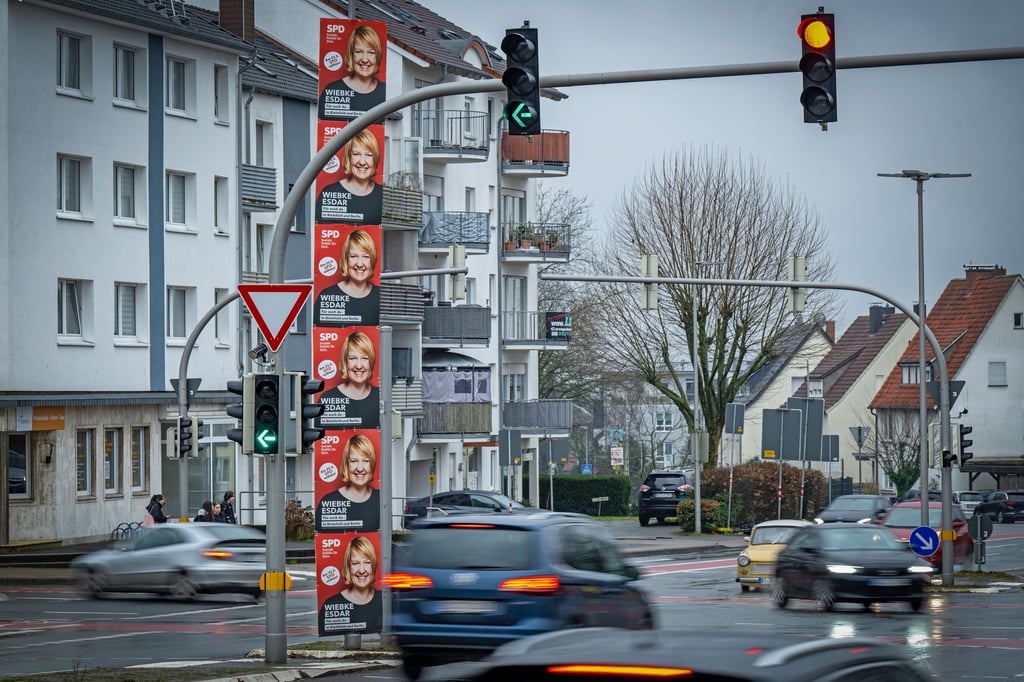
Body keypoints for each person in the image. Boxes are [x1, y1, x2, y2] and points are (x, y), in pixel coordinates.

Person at [318, 24, 386, 121]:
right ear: (351, 55)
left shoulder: (385, 92)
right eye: (358, 52)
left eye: (371, 53)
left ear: (378, 56)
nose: (365, 59)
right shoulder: (332, 89)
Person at [315, 129, 383, 226]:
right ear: (348, 157)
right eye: (356, 154)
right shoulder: (330, 192)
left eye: (368, 155)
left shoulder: (382, 195)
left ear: (375, 158)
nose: (362, 162)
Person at [314, 229, 380, 327]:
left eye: (366, 257)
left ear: (372, 260)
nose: (359, 264)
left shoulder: (380, 296)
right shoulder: (327, 295)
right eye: (353, 256)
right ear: (346, 259)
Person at [316, 434, 380, 532]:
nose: (360, 468)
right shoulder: (329, 500)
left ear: (372, 464)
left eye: (366, 461)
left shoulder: (381, 499)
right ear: (346, 464)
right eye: (353, 461)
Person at [318, 536, 382, 635]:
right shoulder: (331, 604)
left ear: (373, 566)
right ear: (348, 567)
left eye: (367, 562)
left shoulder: (384, 600)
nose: (361, 570)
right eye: (355, 563)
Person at [317, 331, 380, 429]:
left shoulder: (380, 397)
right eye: (352, 358)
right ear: (345, 362)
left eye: (364, 358)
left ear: (371, 361)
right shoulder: (327, 398)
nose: (358, 366)